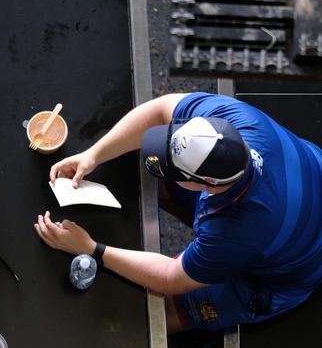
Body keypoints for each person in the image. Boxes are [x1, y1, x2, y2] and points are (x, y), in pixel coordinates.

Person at [34, 91, 322, 332]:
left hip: (287, 269)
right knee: (146, 179)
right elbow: (160, 111)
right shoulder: (231, 120)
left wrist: (92, 248)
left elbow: (171, 277)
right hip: (303, 181)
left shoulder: (235, 234)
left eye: (175, 171)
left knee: (162, 315)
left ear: (206, 184)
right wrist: (93, 155)